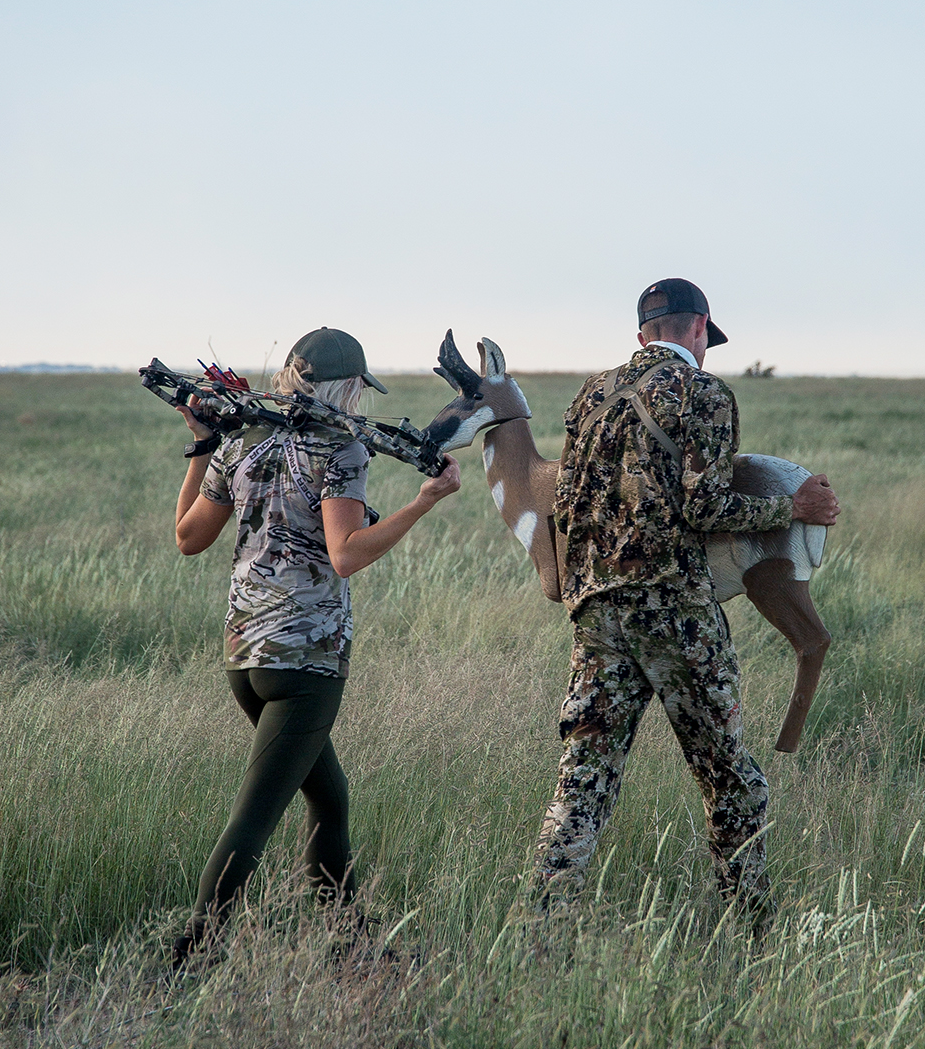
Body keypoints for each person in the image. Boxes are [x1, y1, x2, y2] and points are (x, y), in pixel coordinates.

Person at [529, 278, 840, 926]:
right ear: (699, 328)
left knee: (583, 781)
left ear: (642, 336)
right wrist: (792, 507)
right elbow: (703, 506)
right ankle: (754, 932)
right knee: (732, 781)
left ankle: (538, 932)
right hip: (671, 608)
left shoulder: (589, 396)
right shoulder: (702, 392)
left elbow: (563, 504)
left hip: (594, 610)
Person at [170, 325, 460, 959]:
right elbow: (347, 554)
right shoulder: (341, 452)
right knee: (257, 816)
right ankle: (189, 953)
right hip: (306, 660)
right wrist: (423, 502)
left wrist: (201, 446)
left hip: (245, 656)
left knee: (329, 798)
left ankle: (351, 945)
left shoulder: (242, 446)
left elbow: (188, 538)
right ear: (350, 388)